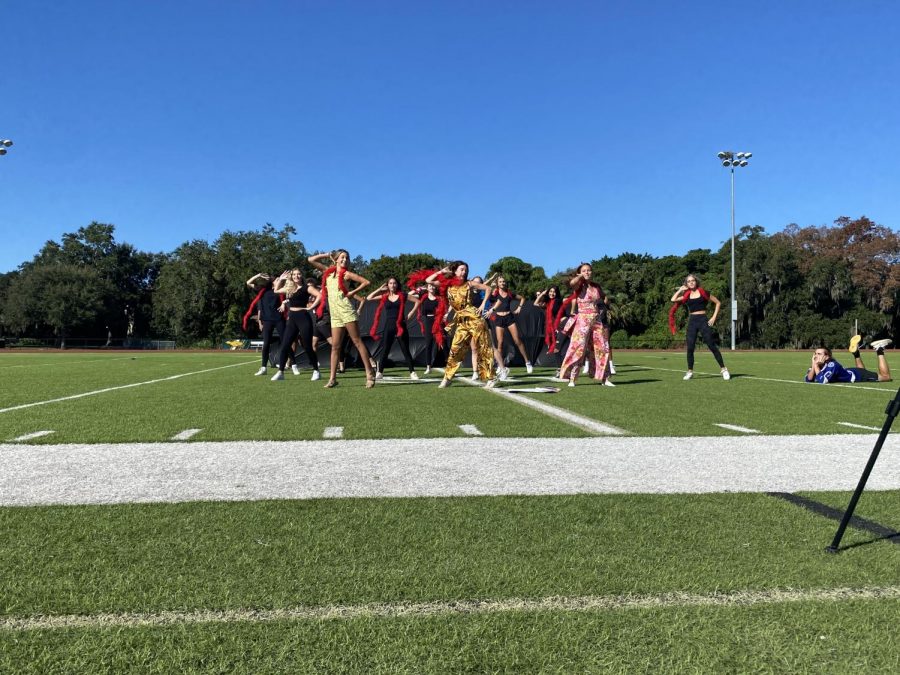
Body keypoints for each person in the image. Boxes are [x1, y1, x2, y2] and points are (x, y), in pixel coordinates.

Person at [308, 249, 377, 388]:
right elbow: (311, 260)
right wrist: (327, 255)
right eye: (342, 257)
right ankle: (332, 379)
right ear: (336, 259)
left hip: (346, 311)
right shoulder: (328, 271)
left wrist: (352, 292)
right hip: (335, 314)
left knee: (357, 341)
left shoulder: (346, 274)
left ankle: (369, 373)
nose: (345, 259)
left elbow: (366, 282)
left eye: (347, 257)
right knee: (335, 346)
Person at [425, 262, 498, 388]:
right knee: (455, 348)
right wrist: (441, 272)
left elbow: (488, 288)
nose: (464, 272)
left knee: (483, 346)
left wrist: (482, 305)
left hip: (474, 318)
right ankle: (447, 378)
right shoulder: (447, 284)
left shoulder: (469, 283)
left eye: (466, 270)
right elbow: (428, 280)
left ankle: (491, 377)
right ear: (455, 271)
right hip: (461, 320)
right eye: (462, 269)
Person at [557, 263, 614, 387]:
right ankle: (572, 378)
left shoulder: (596, 286)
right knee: (578, 348)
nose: (587, 272)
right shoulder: (579, 285)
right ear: (580, 272)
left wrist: (603, 308)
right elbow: (571, 284)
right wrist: (579, 276)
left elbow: (604, 298)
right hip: (583, 319)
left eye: (589, 270)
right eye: (584, 270)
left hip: (597, 319)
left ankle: (605, 378)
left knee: (602, 348)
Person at [669, 274, 730, 381]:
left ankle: (724, 369)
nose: (691, 282)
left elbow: (718, 303)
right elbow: (673, 299)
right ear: (686, 284)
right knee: (690, 348)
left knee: (711, 345)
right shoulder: (686, 295)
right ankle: (690, 371)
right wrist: (680, 290)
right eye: (689, 281)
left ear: (696, 282)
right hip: (692, 321)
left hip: (703, 320)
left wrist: (713, 317)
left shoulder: (703, 292)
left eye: (693, 280)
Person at [270, 269, 321, 382]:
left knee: (307, 346)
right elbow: (276, 291)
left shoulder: (306, 287)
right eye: (294, 274)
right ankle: (281, 372)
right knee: (285, 345)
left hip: (303, 317)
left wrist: (311, 307)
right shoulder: (290, 288)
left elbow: (319, 295)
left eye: (298, 274)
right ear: (292, 276)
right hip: (292, 318)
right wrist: (281, 279)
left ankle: (316, 370)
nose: (296, 276)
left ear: (301, 275)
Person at [368, 277, 418, 380]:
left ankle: (412, 372)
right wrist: (379, 289)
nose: (392, 285)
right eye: (390, 283)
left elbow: (417, 301)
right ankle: (380, 372)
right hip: (389, 325)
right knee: (385, 349)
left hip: (400, 325)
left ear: (397, 285)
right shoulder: (384, 296)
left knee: (405, 349)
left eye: (394, 283)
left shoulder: (403, 295)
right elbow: (369, 298)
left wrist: (411, 313)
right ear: (388, 285)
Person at [485, 275, 534, 378]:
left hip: (509, 318)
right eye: (500, 282)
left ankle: (527, 362)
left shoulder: (510, 294)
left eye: (504, 281)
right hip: (499, 319)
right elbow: (487, 290)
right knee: (500, 343)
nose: (502, 283)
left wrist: (519, 307)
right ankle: (500, 365)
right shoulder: (495, 293)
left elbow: (522, 298)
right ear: (498, 283)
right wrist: (492, 283)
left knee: (517, 340)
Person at [244, 273, 286, 377]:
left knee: (286, 342)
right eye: (277, 280)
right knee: (266, 343)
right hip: (267, 320)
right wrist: (258, 275)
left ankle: (293, 364)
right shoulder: (263, 290)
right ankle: (263, 368)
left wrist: (284, 303)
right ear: (272, 282)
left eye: (279, 280)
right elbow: (248, 283)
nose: (278, 281)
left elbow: (292, 297)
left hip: (279, 319)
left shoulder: (282, 291)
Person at [806, 337, 893, 383]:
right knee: (862, 370)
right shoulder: (817, 365)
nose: (816, 356)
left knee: (886, 377)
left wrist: (816, 366)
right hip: (853, 371)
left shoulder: (832, 365)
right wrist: (814, 364)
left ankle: (879, 349)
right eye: (815, 353)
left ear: (827, 357)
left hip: (859, 376)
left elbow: (822, 381)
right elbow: (808, 379)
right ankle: (856, 353)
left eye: (819, 354)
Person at [408, 281, 442, 375]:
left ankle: (451, 364)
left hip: (437, 321)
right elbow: (408, 295)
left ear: (435, 288)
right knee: (428, 343)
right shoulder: (423, 297)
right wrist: (418, 289)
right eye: (430, 286)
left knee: (442, 343)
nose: (431, 287)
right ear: (427, 287)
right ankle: (428, 366)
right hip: (427, 320)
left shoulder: (439, 298)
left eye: (433, 286)